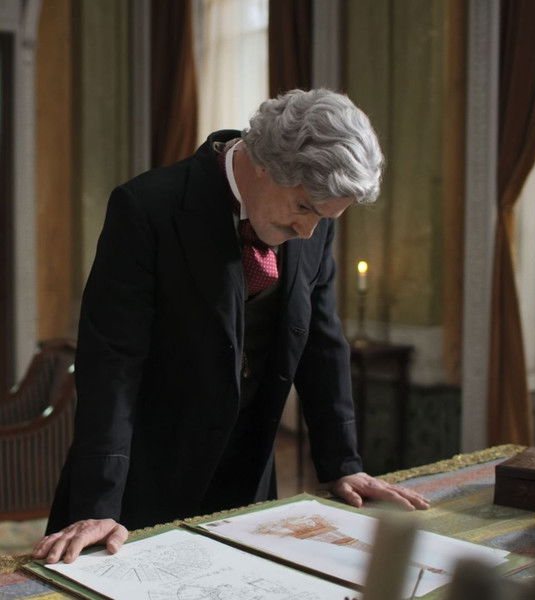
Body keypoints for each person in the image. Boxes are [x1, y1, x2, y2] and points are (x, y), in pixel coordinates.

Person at [33, 89, 429, 564]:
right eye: (304, 208)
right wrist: (98, 504)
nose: (308, 232)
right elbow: (112, 363)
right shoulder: (146, 208)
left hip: (245, 483)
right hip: (139, 483)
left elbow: (322, 341)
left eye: (324, 217)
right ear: (264, 164)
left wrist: (343, 463)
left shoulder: (314, 217)